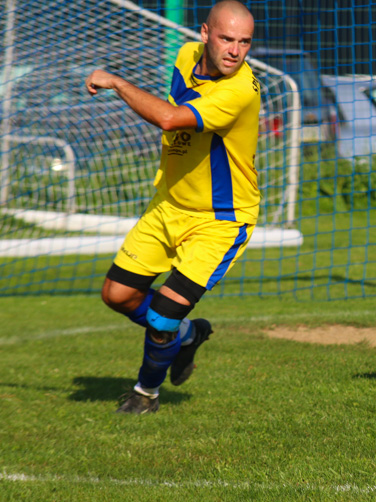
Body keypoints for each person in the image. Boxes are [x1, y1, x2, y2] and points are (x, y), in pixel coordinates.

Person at [85, 1, 260, 413]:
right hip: (167, 205)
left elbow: (168, 119)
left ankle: (146, 392)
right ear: (204, 34)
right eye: (226, 39)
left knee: (161, 316)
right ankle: (186, 336)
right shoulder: (185, 56)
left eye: (244, 42)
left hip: (219, 220)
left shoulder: (238, 91)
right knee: (117, 295)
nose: (235, 50)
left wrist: (117, 82)